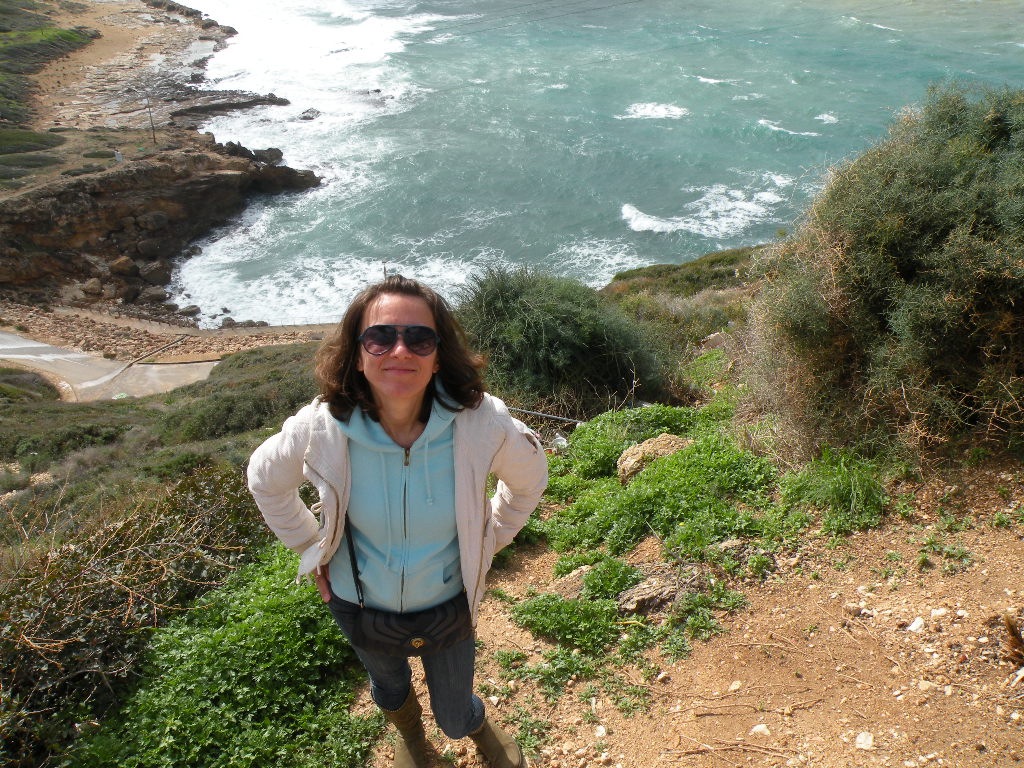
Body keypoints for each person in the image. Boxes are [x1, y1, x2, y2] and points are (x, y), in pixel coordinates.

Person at [247, 275, 548, 768]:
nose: (400, 350)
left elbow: (529, 480)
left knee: (454, 711)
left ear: (438, 355)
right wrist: (312, 550)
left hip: (449, 603)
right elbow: (265, 481)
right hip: (358, 603)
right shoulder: (320, 429)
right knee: (388, 687)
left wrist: (490, 540)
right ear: (357, 354)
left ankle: (470, 724)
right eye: (380, 336)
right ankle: (410, 735)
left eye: (420, 338)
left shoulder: (480, 423)